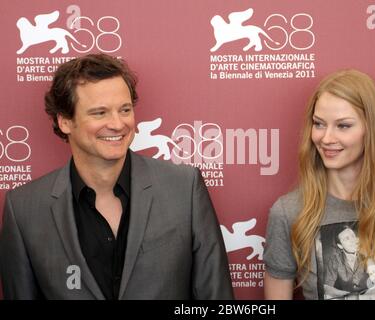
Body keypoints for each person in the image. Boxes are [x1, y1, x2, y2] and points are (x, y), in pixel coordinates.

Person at [0, 53, 234, 300]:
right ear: (65, 121)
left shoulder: (184, 189)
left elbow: (216, 295)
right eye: (100, 113)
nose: (118, 123)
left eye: (125, 109)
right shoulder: (24, 209)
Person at [263, 69, 375, 300]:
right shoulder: (287, 211)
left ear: (370, 129)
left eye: (343, 126)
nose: (326, 138)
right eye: (319, 124)